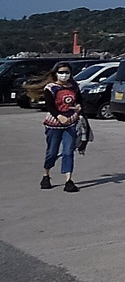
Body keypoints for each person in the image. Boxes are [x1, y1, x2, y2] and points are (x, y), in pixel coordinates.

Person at [40, 63, 83, 192]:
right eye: (61, 72)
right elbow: (49, 106)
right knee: (52, 152)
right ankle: (46, 174)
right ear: (56, 73)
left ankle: (68, 180)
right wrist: (58, 116)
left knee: (68, 152)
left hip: (70, 122)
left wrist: (78, 107)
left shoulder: (74, 86)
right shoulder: (51, 88)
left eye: (67, 72)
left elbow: (79, 100)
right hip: (54, 124)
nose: (64, 75)